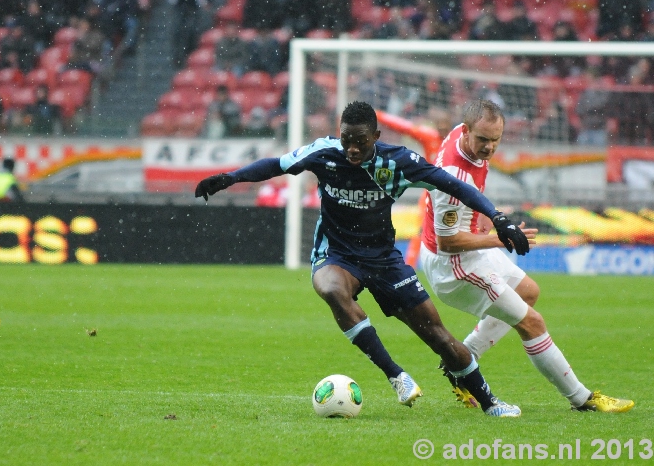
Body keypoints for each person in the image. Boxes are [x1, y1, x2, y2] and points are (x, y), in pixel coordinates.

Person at [195, 101, 529, 417]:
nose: (352, 149)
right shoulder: (323, 152)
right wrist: (232, 177)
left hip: (384, 259)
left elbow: (454, 185)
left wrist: (497, 217)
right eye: (346, 140)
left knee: (439, 337)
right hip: (337, 254)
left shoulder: (398, 161)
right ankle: (396, 375)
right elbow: (276, 164)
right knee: (329, 288)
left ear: (376, 138)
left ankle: (489, 402)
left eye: (360, 142)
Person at [419, 99, 634, 413]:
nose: (490, 147)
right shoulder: (454, 178)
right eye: (483, 140)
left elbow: (471, 200)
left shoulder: (463, 138)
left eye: (496, 140)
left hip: (464, 252)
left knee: (528, 292)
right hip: (454, 267)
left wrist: (491, 220)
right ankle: (582, 399)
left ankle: (461, 361)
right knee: (531, 323)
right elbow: (448, 241)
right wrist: (499, 237)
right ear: (466, 132)